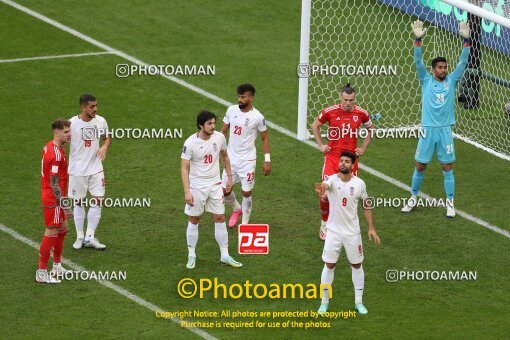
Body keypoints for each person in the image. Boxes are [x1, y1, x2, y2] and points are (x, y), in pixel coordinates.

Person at [402, 20, 471, 218]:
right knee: (420, 165)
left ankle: (450, 203)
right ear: (433, 69)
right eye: (440, 67)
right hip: (427, 129)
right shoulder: (425, 80)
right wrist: (417, 40)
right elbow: (418, 62)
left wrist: (466, 41)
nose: (443, 70)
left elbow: (463, 63)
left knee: (447, 166)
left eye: (444, 67)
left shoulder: (452, 80)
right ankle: (413, 198)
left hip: (445, 130)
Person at [315, 151, 381, 315]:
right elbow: (324, 187)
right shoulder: (331, 179)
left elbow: (366, 205)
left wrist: (371, 228)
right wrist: (322, 192)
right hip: (333, 232)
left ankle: (359, 302)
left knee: (357, 265)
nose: (342, 163)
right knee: (329, 265)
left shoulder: (360, 184)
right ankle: (324, 302)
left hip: (352, 233)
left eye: (346, 161)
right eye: (341, 161)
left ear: (352, 165)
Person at [181, 111, 243, 269]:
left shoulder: (219, 137)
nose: (213, 126)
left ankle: (225, 255)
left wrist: (229, 178)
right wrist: (187, 191)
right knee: (194, 219)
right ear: (201, 125)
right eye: (209, 123)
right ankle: (192, 255)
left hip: (215, 185)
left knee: (220, 218)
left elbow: (225, 157)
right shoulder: (190, 143)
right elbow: (184, 168)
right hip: (197, 187)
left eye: (214, 123)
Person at [312, 84, 374, 240]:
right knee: (324, 193)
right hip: (333, 158)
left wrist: (363, 148)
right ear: (341, 98)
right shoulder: (329, 111)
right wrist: (320, 145)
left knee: (350, 193)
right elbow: (315, 125)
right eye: (345, 100)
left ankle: (345, 223)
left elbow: (371, 130)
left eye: (351, 100)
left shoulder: (361, 113)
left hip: (350, 161)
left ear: (355, 99)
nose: (348, 103)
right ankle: (324, 223)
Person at [221, 83, 271, 228]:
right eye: (239, 96)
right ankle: (237, 209)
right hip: (230, 159)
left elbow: (265, 139)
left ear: (251, 98)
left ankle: (245, 225)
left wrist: (267, 160)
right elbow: (223, 131)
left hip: (247, 161)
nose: (240, 99)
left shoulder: (258, 117)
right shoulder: (231, 110)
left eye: (243, 97)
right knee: (225, 191)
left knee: (246, 192)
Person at [68, 94, 111, 249]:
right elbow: (60, 139)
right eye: (92, 106)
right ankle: (80, 236)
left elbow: (107, 137)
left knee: (98, 200)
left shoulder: (101, 121)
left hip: (96, 169)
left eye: (96, 106)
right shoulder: (71, 124)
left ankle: (90, 236)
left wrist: (104, 147)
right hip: (77, 171)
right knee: (78, 202)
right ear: (83, 107)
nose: (95, 109)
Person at [37, 119, 73, 283]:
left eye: (69, 131)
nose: (69, 134)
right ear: (56, 132)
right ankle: (41, 272)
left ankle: (57, 267)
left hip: (53, 195)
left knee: (63, 229)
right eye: (66, 132)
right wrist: (65, 206)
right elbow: (54, 184)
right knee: (51, 232)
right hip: (54, 198)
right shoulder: (56, 154)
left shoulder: (51, 146)